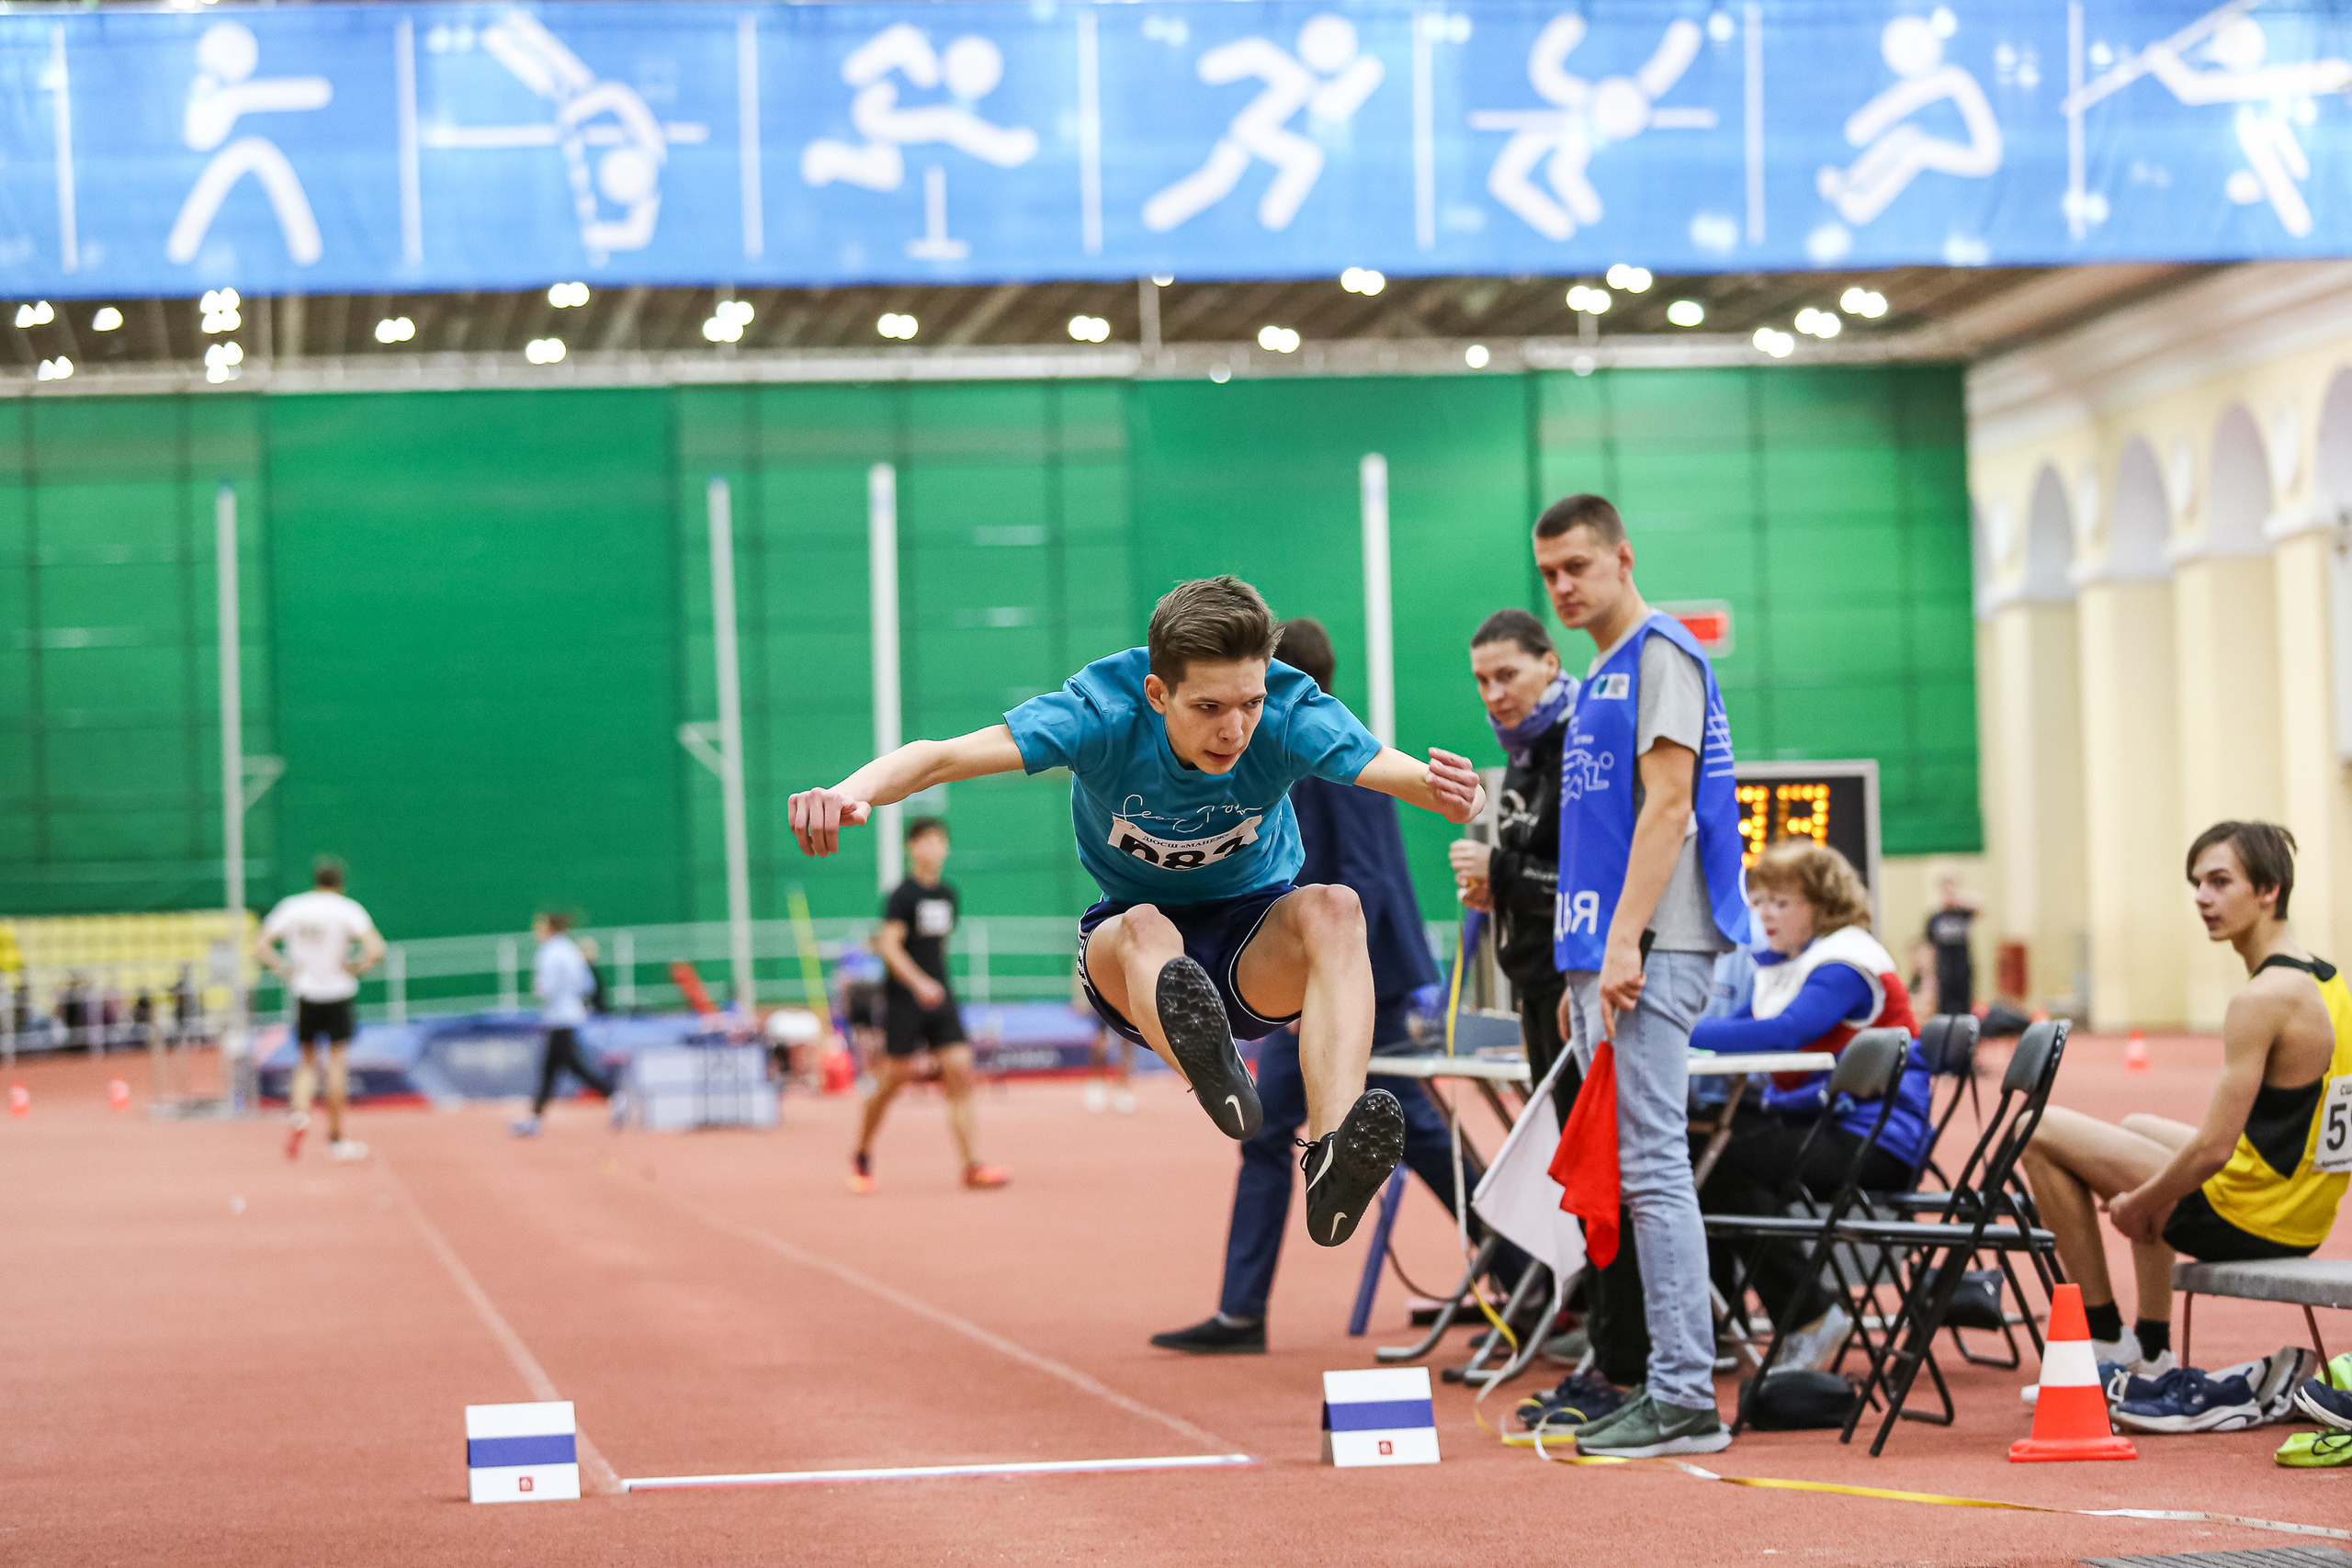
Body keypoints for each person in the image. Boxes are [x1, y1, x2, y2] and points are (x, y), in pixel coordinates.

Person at [790, 575, 1487, 1245]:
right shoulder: (1101, 713)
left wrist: (1459, 794)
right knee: (1148, 926)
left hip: (1252, 941)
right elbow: (941, 757)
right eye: (1208, 708)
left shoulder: (1285, 710)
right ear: (1157, 693)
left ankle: (1331, 1153)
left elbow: (1405, 775)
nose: (1235, 728)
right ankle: (1207, 1065)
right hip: (1135, 952)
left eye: (1247, 702)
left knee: (1336, 906)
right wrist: (851, 791)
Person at [1152, 619, 1527, 1353]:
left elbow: (1363, 878)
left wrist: (1322, 990)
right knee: (1376, 1132)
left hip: (1351, 983)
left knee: (1392, 1132)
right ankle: (1524, 1266)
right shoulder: (1325, 745)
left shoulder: (1322, 752)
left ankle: (1527, 1266)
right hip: (1338, 979)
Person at [1535, 493, 1756, 1460]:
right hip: (1611, 949)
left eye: (1577, 567)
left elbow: (1670, 809)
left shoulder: (1661, 654)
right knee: (1635, 1171)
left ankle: (1683, 1397)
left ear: (1623, 556)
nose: (1562, 587)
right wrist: (1583, 952)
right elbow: (1600, 827)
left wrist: (1620, 943)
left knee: (1656, 1167)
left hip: (1655, 947)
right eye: (1547, 574)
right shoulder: (1602, 675)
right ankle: (1666, 1385)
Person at [2020, 822, 2352, 1380]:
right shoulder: (2328, 982)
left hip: (2253, 1219)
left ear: (2269, 890)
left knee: (2034, 1128)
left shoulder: (2262, 999)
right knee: (2137, 1124)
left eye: (2220, 882)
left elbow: (2214, 1152)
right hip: (2302, 1212)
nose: (2202, 898)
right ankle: (2151, 1344)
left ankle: (2104, 1337)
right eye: (2197, 883)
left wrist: (2138, 1204)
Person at [1692, 840, 1930, 1371]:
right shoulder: (1793, 962)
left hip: (1876, 1138)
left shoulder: (1845, 961)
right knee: (1705, 1149)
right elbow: (1739, 1031)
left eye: (1782, 902)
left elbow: (1784, 1034)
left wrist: (1672, 1030)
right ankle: (1726, 1323)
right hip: (1830, 1121)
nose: (1765, 915)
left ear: (1822, 905)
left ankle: (1807, 1316)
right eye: (1759, 901)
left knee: (1720, 1161)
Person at [1450, 608, 1575, 1106]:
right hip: (1535, 981)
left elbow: (1593, 881)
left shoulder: (1582, 745)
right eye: (1482, 680)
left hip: (1576, 979)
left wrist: (1498, 869)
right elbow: (1540, 866)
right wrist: (1494, 891)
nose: (1494, 694)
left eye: (1507, 675)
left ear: (1549, 664)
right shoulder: (1523, 747)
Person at [851, 817, 1008, 1192]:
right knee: (894, 1079)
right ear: (911, 848)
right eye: (924, 841)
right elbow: (889, 946)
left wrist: (937, 985)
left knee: (959, 1069)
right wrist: (919, 983)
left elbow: (939, 947)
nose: (932, 847)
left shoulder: (949, 894)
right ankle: (862, 1151)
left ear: (946, 848)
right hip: (905, 999)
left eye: (939, 840)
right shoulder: (901, 896)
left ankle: (972, 1165)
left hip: (941, 996)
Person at [258, 859, 385, 1162]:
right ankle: (336, 1138)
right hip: (338, 991)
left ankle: (300, 1115)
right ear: (340, 882)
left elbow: (261, 945)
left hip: (306, 992)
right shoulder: (346, 909)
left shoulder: (293, 907)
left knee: (306, 1061)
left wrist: (283, 968)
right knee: (337, 1063)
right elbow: (376, 949)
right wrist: (356, 967)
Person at [511, 912, 620, 1136]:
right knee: (554, 1068)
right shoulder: (571, 950)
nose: (536, 931)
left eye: (539, 926)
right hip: (571, 1015)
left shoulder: (549, 953)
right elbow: (587, 985)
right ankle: (535, 1119)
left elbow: (546, 988)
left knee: (567, 1066)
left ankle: (615, 1096)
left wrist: (540, 988)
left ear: (549, 928)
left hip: (559, 1017)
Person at [1078, 961, 1136, 1113]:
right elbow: (1082, 963)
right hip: (1103, 994)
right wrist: (1081, 996)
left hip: (1127, 995)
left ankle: (1123, 1089)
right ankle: (1096, 1085)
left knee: (1128, 1041)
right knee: (1100, 1042)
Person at [1923, 872, 1983, 1017]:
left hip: (1963, 970)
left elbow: (1982, 908)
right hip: (1944, 972)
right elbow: (1931, 949)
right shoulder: (1935, 918)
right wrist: (1930, 977)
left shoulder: (1964, 914)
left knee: (1964, 1010)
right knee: (1945, 1011)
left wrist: (1959, 900)